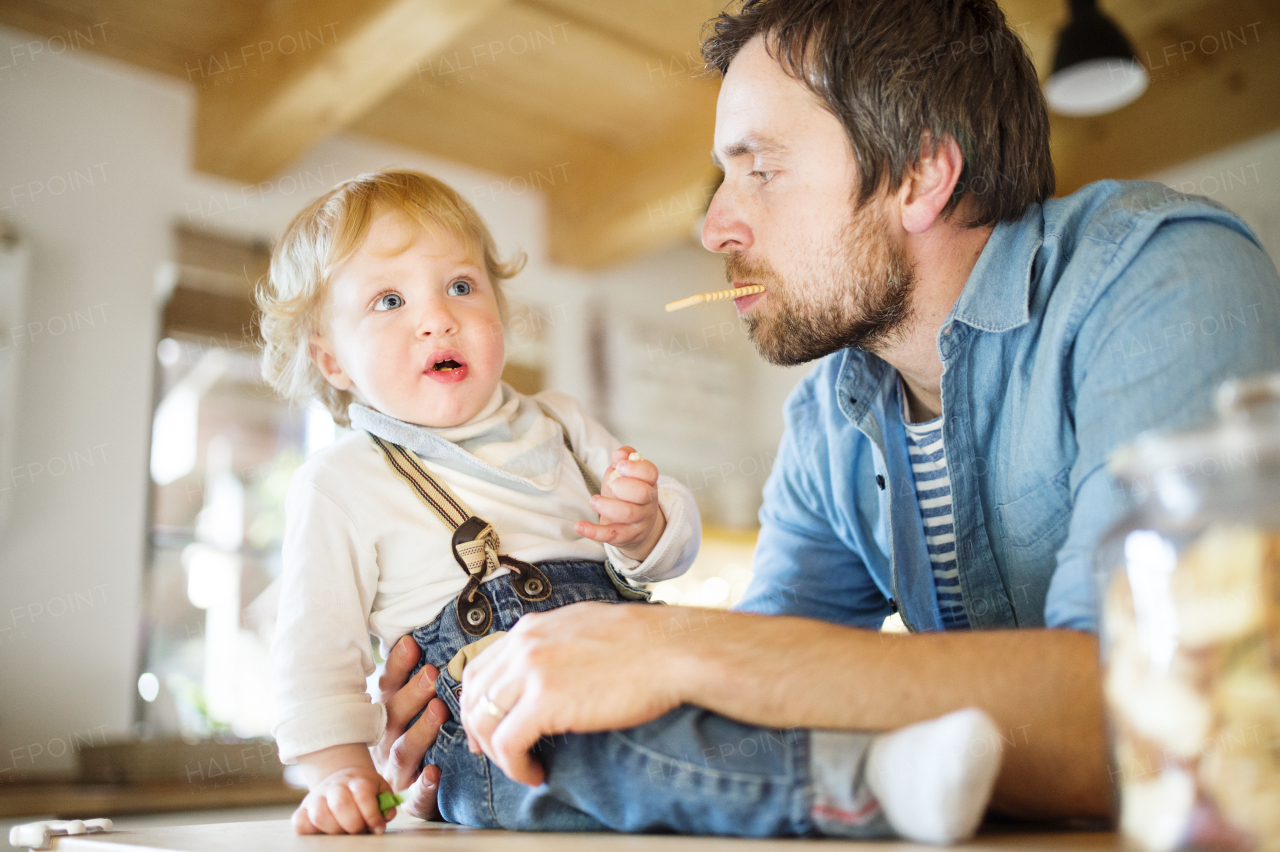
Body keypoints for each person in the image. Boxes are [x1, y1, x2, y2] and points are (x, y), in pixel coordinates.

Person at [372, 0, 1280, 831]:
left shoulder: (1164, 282)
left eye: (760, 170)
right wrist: (486, 725)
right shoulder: (830, 417)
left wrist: (685, 643)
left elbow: (1156, 716)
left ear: (922, 172)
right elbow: (759, 713)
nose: (715, 227)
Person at [260, 169, 1007, 842]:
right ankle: (868, 784)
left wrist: (645, 524)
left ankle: (904, 750)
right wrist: (339, 773)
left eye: (460, 286)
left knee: (729, 704)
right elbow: (314, 657)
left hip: (619, 651)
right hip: (498, 730)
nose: (437, 318)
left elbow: (666, 548)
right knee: (630, 754)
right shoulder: (342, 481)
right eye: (389, 301)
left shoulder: (556, 419)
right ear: (331, 359)